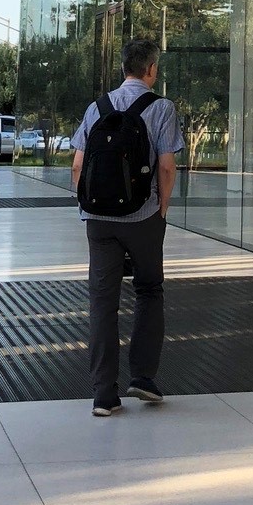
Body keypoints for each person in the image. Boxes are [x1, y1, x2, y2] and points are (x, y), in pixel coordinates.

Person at [71, 36, 184, 416]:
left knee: (102, 302)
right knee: (149, 289)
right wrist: (162, 208)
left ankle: (104, 394)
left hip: (99, 221)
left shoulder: (97, 106)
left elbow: (77, 166)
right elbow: (167, 167)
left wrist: (88, 206)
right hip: (143, 216)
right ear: (151, 69)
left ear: (123, 68)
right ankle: (143, 377)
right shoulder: (162, 107)